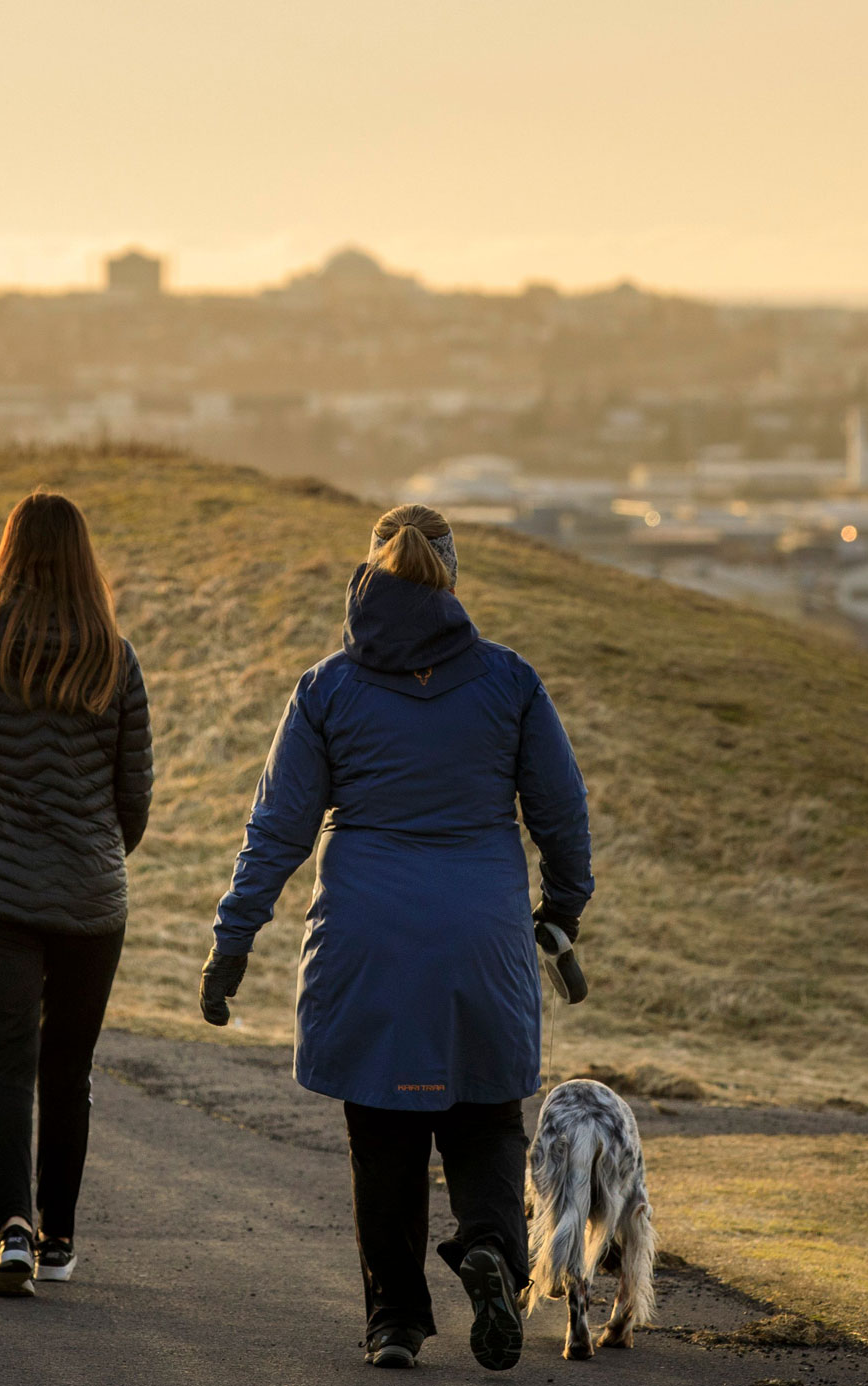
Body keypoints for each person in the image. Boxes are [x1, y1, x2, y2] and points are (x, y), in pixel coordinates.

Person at [201, 503, 592, 1372]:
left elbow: (278, 829)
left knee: (382, 1133)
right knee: (488, 1115)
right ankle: (489, 1244)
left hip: (366, 940)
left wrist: (233, 941)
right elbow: (562, 812)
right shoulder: (510, 682)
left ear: (371, 574)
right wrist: (564, 906)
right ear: (450, 577)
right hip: (480, 935)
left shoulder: (328, 688)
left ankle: (395, 1323)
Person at [0, 489, 152, 1299]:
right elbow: (136, 803)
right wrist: (87, 850)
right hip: (92, 900)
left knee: (6, 1067)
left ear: (9, 556)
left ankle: (11, 1231)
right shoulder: (115, 660)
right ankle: (58, 1240)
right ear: (85, 560)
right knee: (69, 1069)